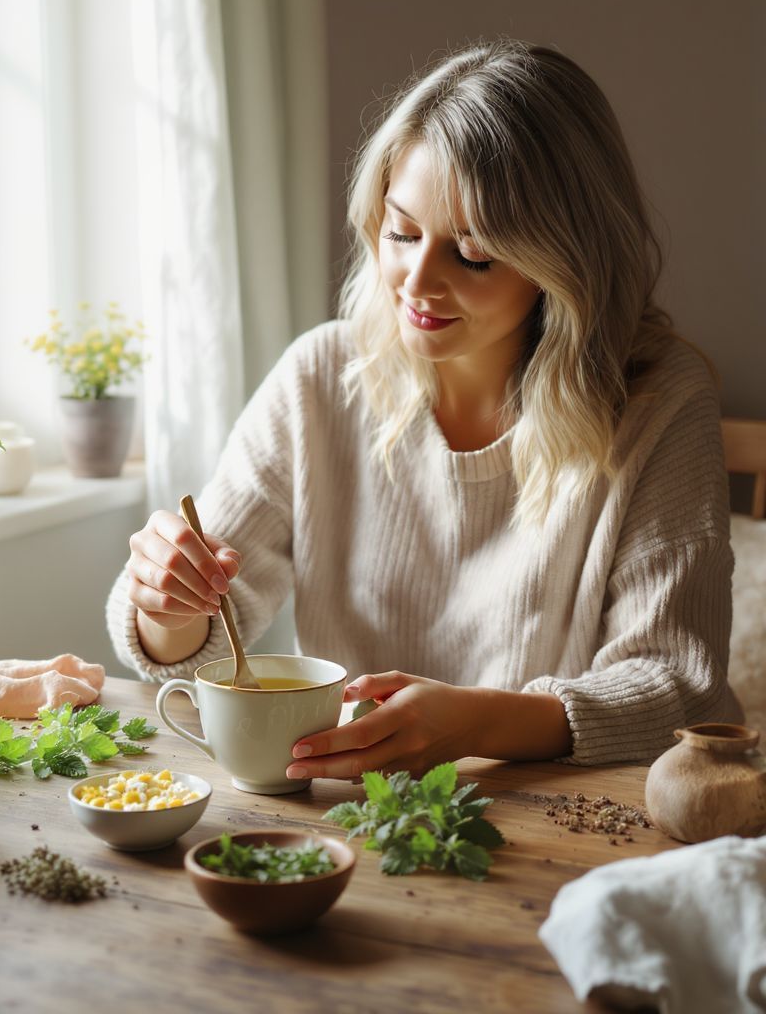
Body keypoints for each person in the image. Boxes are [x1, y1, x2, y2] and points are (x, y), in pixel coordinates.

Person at [106, 39, 741, 780]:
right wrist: (170, 604)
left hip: (566, 815)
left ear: (564, 261)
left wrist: (479, 721)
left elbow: (676, 682)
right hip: (357, 811)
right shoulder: (320, 376)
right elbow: (197, 645)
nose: (416, 280)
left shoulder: (660, 402)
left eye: (473, 255)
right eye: (401, 231)